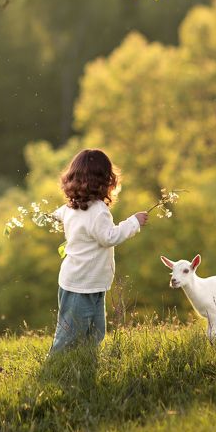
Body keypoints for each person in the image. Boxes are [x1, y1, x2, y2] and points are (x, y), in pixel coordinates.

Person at [48, 148, 148, 354]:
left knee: (94, 331)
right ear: (105, 181)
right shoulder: (98, 211)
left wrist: (50, 217)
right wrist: (133, 222)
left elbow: (57, 215)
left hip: (89, 283)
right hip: (81, 285)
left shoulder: (70, 207)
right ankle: (55, 367)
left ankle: (85, 363)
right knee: (70, 334)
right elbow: (109, 237)